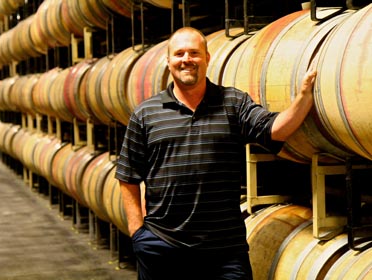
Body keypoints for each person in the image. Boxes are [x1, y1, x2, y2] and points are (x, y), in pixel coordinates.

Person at [115, 26, 317, 280]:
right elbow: (128, 175)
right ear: (168, 62)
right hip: (163, 245)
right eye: (179, 54)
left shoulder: (232, 103)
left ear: (207, 58)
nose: (186, 59)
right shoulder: (147, 113)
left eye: (194, 53)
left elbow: (275, 130)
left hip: (224, 249)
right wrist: (138, 233)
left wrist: (303, 98)